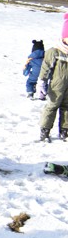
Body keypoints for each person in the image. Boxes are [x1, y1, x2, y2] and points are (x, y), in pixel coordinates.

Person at [36, 13, 68, 142]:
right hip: (56, 86)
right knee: (52, 106)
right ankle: (45, 129)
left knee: (67, 107)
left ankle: (65, 130)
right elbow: (45, 68)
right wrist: (42, 82)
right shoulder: (54, 51)